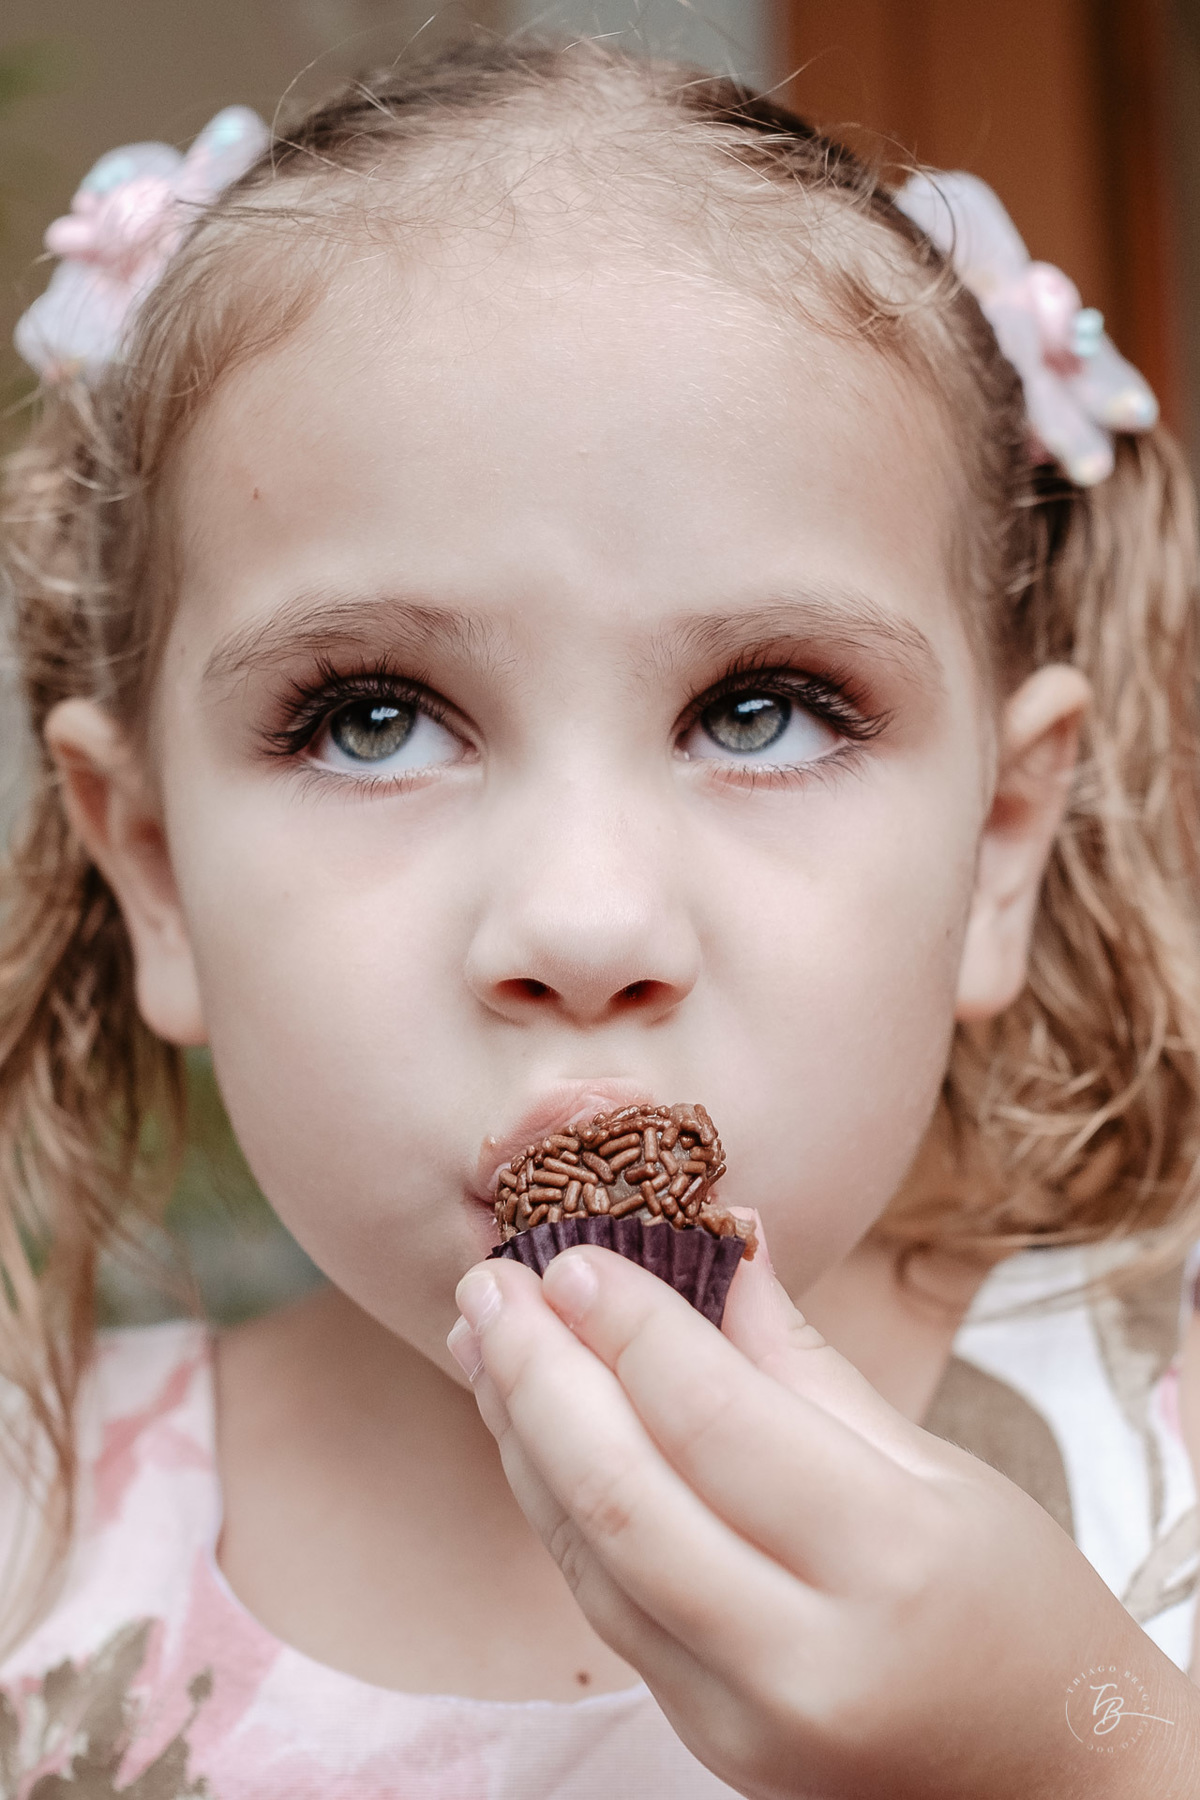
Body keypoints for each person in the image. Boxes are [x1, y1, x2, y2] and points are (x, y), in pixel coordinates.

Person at [0, 35, 1198, 1799]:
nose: (581, 923)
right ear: (156, 871)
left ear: (999, 846)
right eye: (373, 720)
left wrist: (1085, 1752)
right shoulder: (37, 1544)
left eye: (761, 711)